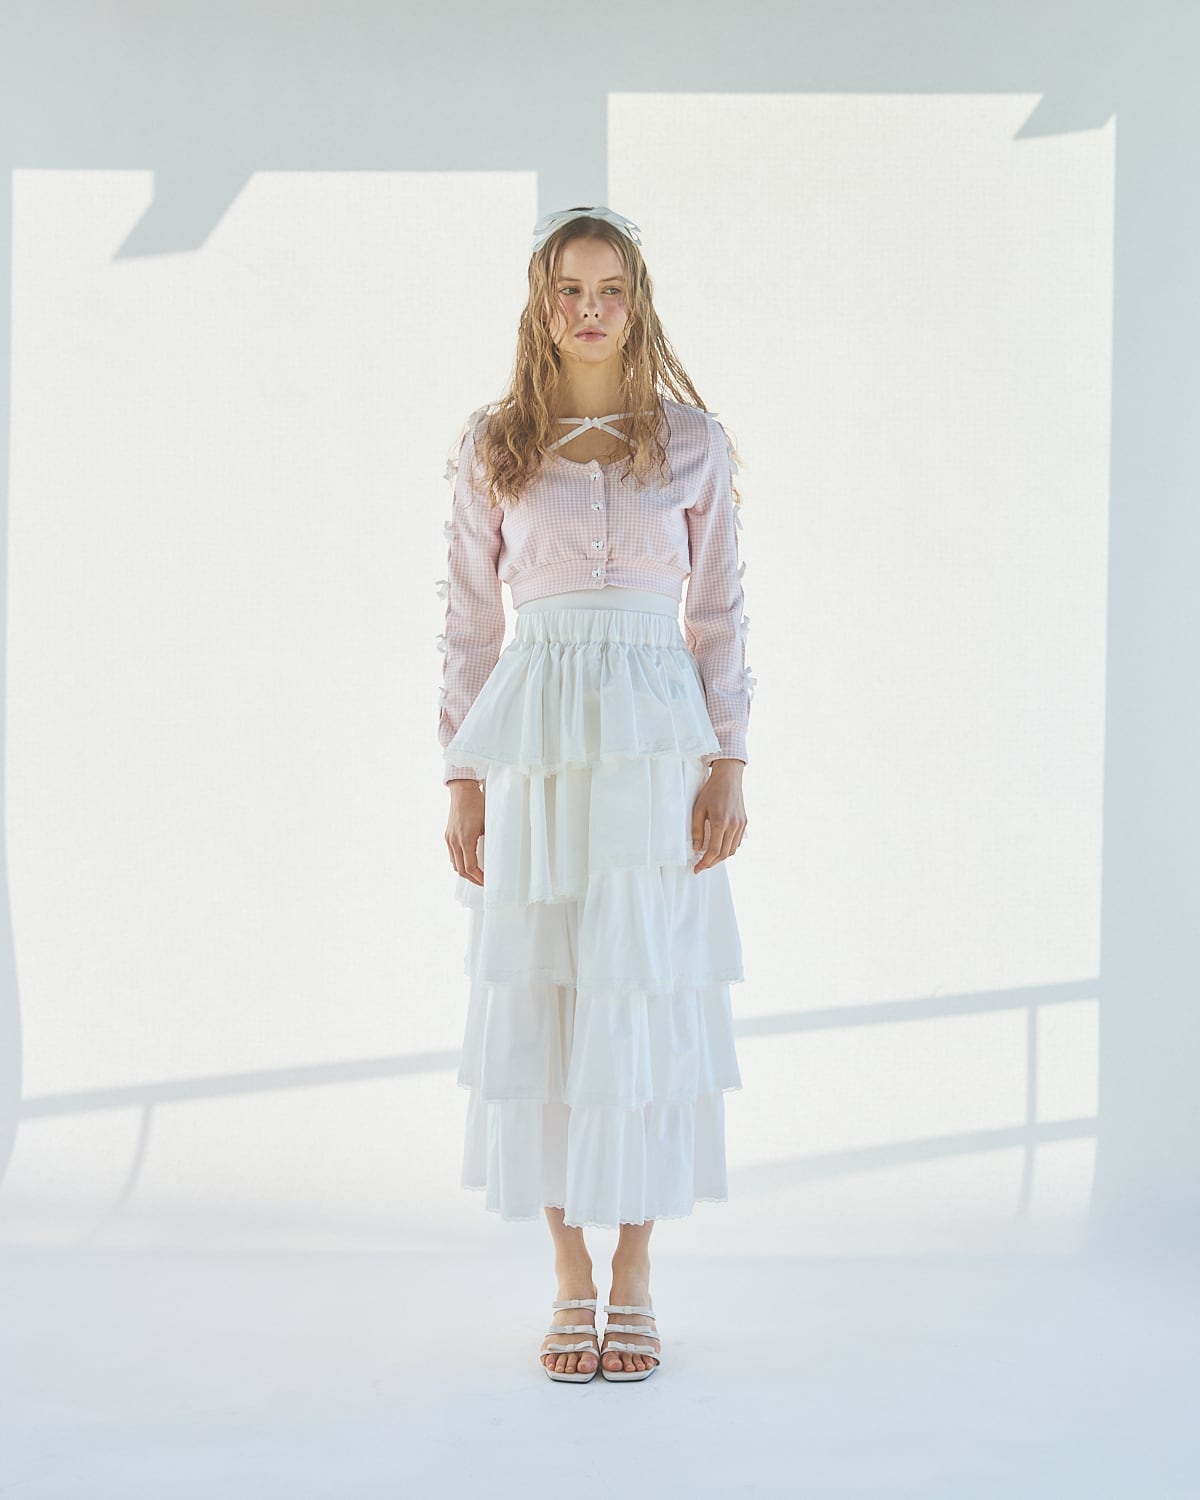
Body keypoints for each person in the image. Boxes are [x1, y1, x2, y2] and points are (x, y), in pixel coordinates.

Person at [435, 205, 754, 1384]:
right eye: (569, 290)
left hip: (657, 745)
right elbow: (470, 620)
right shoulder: (496, 444)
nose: (589, 310)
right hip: (538, 749)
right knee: (549, 993)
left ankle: (637, 1271)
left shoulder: (693, 443)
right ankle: (570, 1273)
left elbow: (717, 613)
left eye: (609, 289)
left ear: (638, 301)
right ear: (541, 303)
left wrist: (730, 758)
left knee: (642, 991)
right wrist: (463, 775)